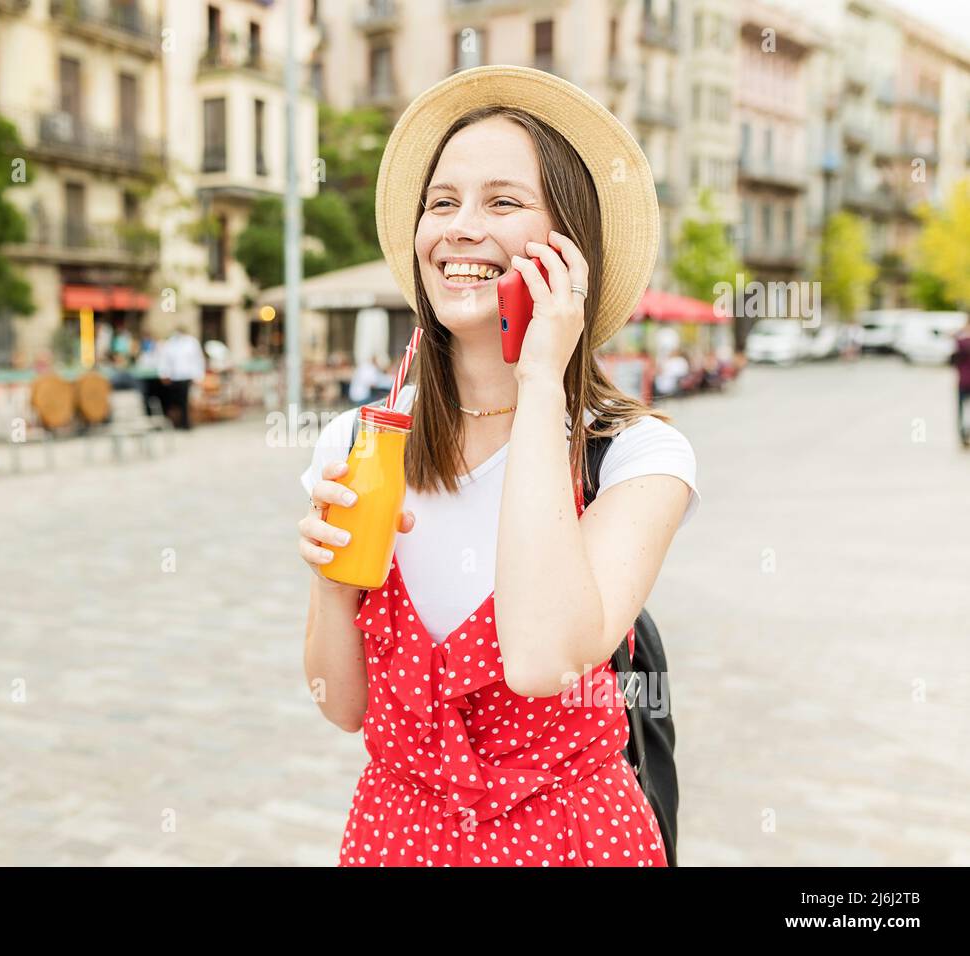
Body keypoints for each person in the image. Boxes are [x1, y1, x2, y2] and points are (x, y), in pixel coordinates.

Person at [297, 67, 700, 868]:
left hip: (574, 842)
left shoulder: (638, 455)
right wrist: (329, 579)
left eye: (503, 202)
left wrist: (542, 377)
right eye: (441, 203)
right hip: (396, 838)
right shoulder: (361, 441)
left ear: (569, 248)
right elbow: (342, 707)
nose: (459, 227)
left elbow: (543, 658)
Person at [157, 325, 206, 430]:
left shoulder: (191, 343)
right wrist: (164, 374)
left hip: (187, 376)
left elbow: (198, 360)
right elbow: (165, 360)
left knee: (185, 401)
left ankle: (186, 423)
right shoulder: (170, 343)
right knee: (175, 401)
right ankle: (176, 422)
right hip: (174, 377)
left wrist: (198, 376)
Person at [953, 316, 970, 448]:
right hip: (964, 381)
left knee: (962, 410)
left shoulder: (961, 342)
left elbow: (953, 360)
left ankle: (963, 435)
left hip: (963, 381)